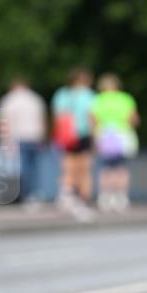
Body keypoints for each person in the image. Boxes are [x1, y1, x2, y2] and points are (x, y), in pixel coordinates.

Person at [51, 68, 96, 221]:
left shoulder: (62, 94)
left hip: (66, 135)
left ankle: (65, 196)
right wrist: (95, 138)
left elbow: (57, 116)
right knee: (84, 169)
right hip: (83, 134)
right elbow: (92, 118)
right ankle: (82, 201)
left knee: (67, 167)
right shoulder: (89, 95)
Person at [92, 73, 140, 212]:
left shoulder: (98, 99)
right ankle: (121, 197)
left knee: (106, 168)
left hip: (104, 135)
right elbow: (134, 119)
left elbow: (93, 120)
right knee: (121, 168)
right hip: (122, 135)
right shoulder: (125, 98)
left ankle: (105, 197)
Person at [0, 78, 47, 204]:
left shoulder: (9, 100)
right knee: (34, 167)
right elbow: (42, 120)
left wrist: (5, 140)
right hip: (34, 137)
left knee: (21, 168)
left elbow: (5, 122)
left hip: (18, 137)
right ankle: (33, 193)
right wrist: (42, 137)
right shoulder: (35, 99)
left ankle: (23, 194)